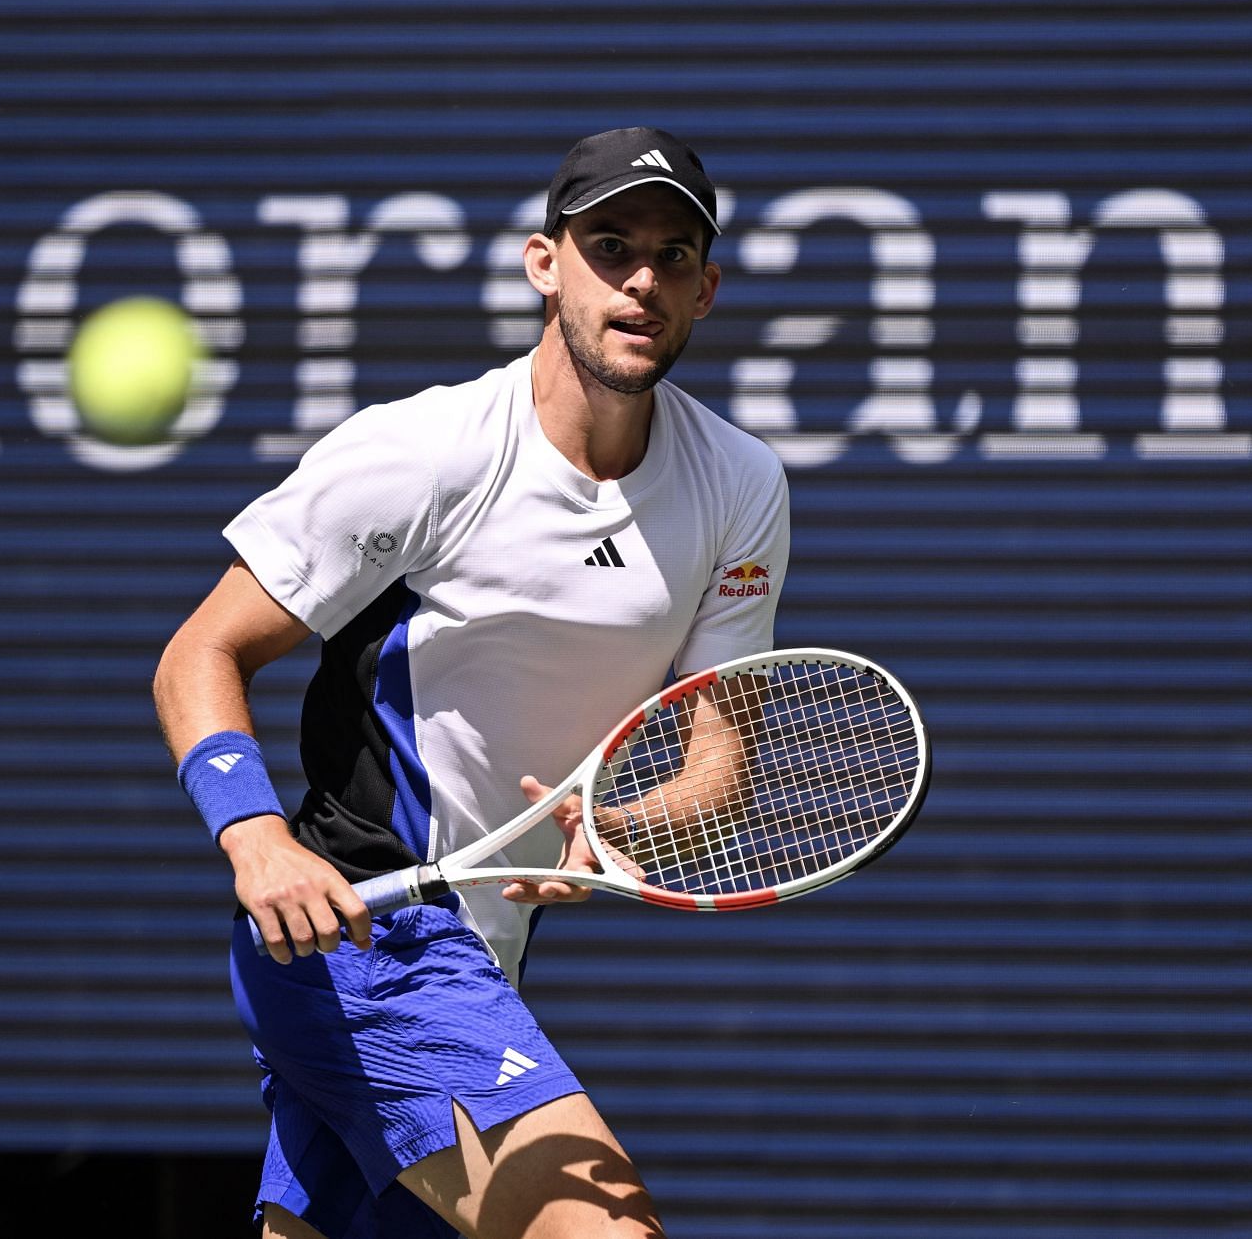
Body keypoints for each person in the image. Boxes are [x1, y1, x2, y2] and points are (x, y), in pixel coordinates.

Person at [154, 126, 790, 1239]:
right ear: (546, 263)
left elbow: (719, 766)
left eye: (674, 256)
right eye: (610, 246)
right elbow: (200, 654)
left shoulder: (740, 484)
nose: (642, 280)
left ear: (708, 289)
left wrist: (620, 826)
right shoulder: (429, 452)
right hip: (366, 938)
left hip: (486, 954)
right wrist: (255, 836)